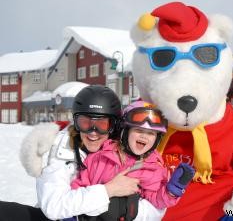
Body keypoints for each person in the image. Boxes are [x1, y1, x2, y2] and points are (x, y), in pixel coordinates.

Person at [0, 85, 163, 221]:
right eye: (85, 123)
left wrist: (127, 209)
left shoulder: (128, 149)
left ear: (114, 126)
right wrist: (108, 191)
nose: (93, 132)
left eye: (102, 124)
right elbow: (53, 206)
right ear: (76, 123)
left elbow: (157, 209)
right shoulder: (63, 147)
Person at [71, 100, 195, 220]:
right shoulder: (100, 157)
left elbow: (157, 200)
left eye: (151, 133)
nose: (144, 136)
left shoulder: (153, 169)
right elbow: (79, 187)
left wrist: (171, 191)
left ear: (157, 140)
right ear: (125, 131)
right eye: (139, 130)